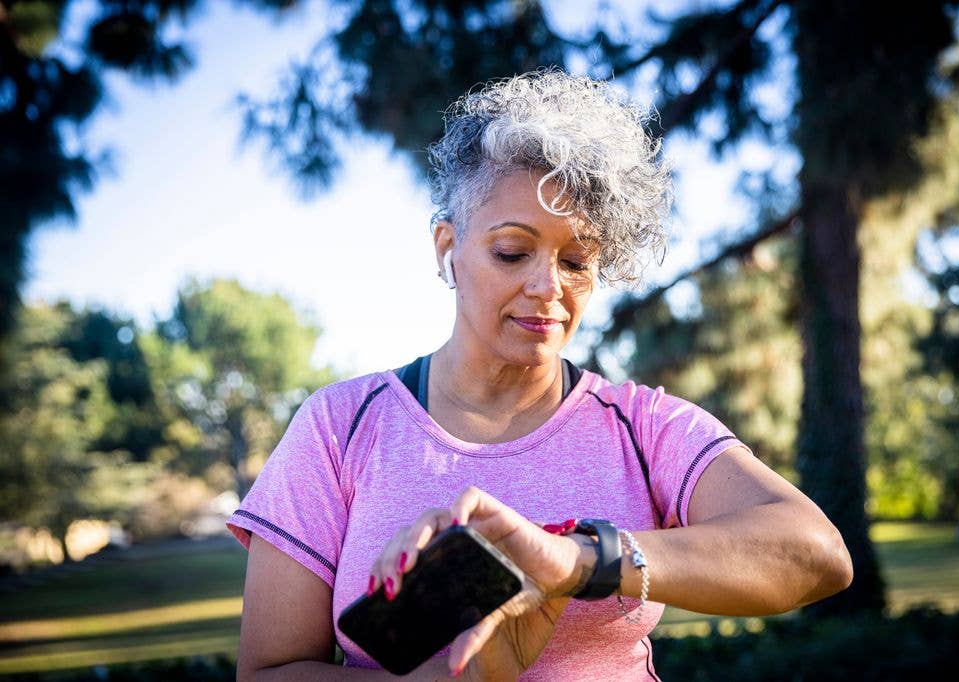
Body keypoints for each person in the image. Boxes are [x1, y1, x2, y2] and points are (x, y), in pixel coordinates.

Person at [228, 68, 854, 681]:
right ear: (447, 249)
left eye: (577, 260)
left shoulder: (642, 427)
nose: (547, 287)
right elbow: (268, 671)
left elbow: (816, 553)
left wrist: (576, 559)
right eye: (512, 251)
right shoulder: (340, 428)